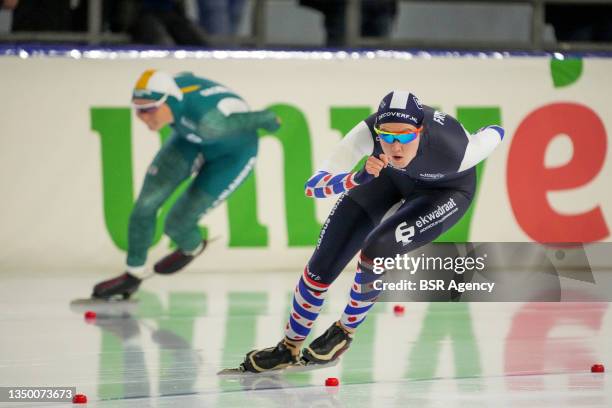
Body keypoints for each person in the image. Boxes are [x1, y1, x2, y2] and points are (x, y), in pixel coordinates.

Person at [237, 91, 504, 372]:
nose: (396, 145)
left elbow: (495, 131)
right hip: (387, 176)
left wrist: (472, 134)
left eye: (405, 136)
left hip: (445, 191)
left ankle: (344, 330)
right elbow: (313, 186)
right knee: (322, 264)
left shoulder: (457, 150)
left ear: (421, 131)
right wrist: (355, 178)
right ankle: (288, 347)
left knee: (378, 248)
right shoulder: (368, 133)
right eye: (387, 137)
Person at [92, 70, 280, 300]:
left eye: (149, 109)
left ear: (168, 102)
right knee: (145, 205)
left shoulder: (209, 122)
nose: (143, 116)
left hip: (232, 156)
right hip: (189, 140)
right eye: (138, 110)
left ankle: (193, 246)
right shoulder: (173, 94)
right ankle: (132, 275)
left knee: (177, 225)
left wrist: (275, 123)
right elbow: (187, 75)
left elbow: (266, 117)